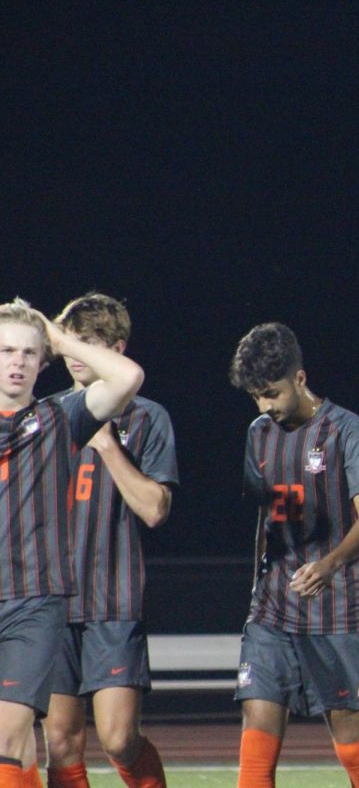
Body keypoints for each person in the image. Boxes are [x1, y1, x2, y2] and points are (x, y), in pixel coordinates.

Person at [228, 323, 359, 788]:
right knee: (255, 746)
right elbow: (265, 515)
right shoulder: (258, 433)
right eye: (256, 396)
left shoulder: (345, 429)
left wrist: (327, 565)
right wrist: (257, 588)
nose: (265, 407)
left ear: (300, 379)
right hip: (272, 608)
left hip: (336, 609)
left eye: (272, 394)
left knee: (353, 746)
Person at [0, 299, 143, 788]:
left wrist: (57, 338)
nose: (16, 362)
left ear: (43, 362)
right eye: (5, 351)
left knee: (7, 736)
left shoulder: (61, 417)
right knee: (15, 749)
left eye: (27, 352)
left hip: (33, 602)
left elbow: (126, 378)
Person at [39, 294, 178, 788]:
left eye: (89, 343)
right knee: (60, 742)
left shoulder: (148, 418)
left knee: (119, 738)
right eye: (70, 342)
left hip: (112, 601)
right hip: (50, 603)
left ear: (116, 349)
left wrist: (107, 445)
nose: (75, 354)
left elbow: (155, 509)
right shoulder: (45, 416)